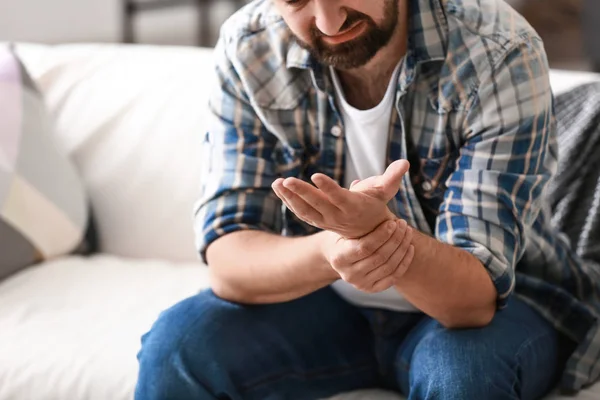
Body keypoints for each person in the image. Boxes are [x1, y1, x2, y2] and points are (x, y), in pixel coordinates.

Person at [135, 0, 600, 399]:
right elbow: (228, 260)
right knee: (178, 346)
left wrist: (380, 237)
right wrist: (335, 248)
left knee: (463, 374)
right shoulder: (250, 47)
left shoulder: (497, 50)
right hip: (326, 304)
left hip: (497, 306)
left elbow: (472, 302)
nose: (328, 23)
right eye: (296, 1)